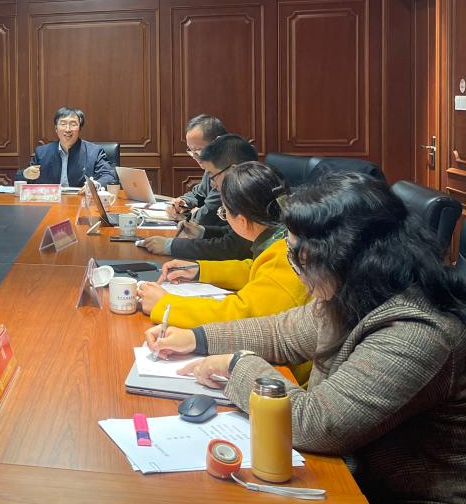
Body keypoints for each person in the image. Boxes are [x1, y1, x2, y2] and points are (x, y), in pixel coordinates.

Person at [144, 173, 466, 503]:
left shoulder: (417, 331)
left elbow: (316, 423)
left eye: (298, 255)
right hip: (351, 473)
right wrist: (195, 338)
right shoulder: (358, 291)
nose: (296, 270)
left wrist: (237, 365)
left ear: (343, 256)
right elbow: (280, 333)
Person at [137, 163, 310, 380]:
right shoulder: (283, 237)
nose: (224, 217)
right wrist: (199, 269)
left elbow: (240, 317)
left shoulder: (286, 256)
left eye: (224, 212)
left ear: (242, 221)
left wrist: (166, 304)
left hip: (291, 378)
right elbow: (255, 270)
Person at [139, 133, 256, 260]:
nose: (213, 184)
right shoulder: (247, 189)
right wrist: (202, 232)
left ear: (233, 170)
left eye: (213, 176)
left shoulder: (254, 195)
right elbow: (235, 235)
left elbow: (232, 248)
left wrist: (171, 246)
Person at [16, 107, 116, 187]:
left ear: (80, 128)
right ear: (56, 128)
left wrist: (95, 185)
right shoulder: (42, 152)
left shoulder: (94, 152)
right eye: (63, 124)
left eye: (73, 124)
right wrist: (25, 174)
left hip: (81, 201)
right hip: (51, 202)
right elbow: (21, 178)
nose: (68, 129)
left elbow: (109, 176)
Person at [165, 114, 227, 225]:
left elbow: (205, 217)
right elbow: (199, 194)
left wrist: (190, 213)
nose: (195, 157)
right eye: (191, 151)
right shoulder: (212, 163)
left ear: (218, 143)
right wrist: (184, 202)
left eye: (199, 150)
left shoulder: (229, 170)